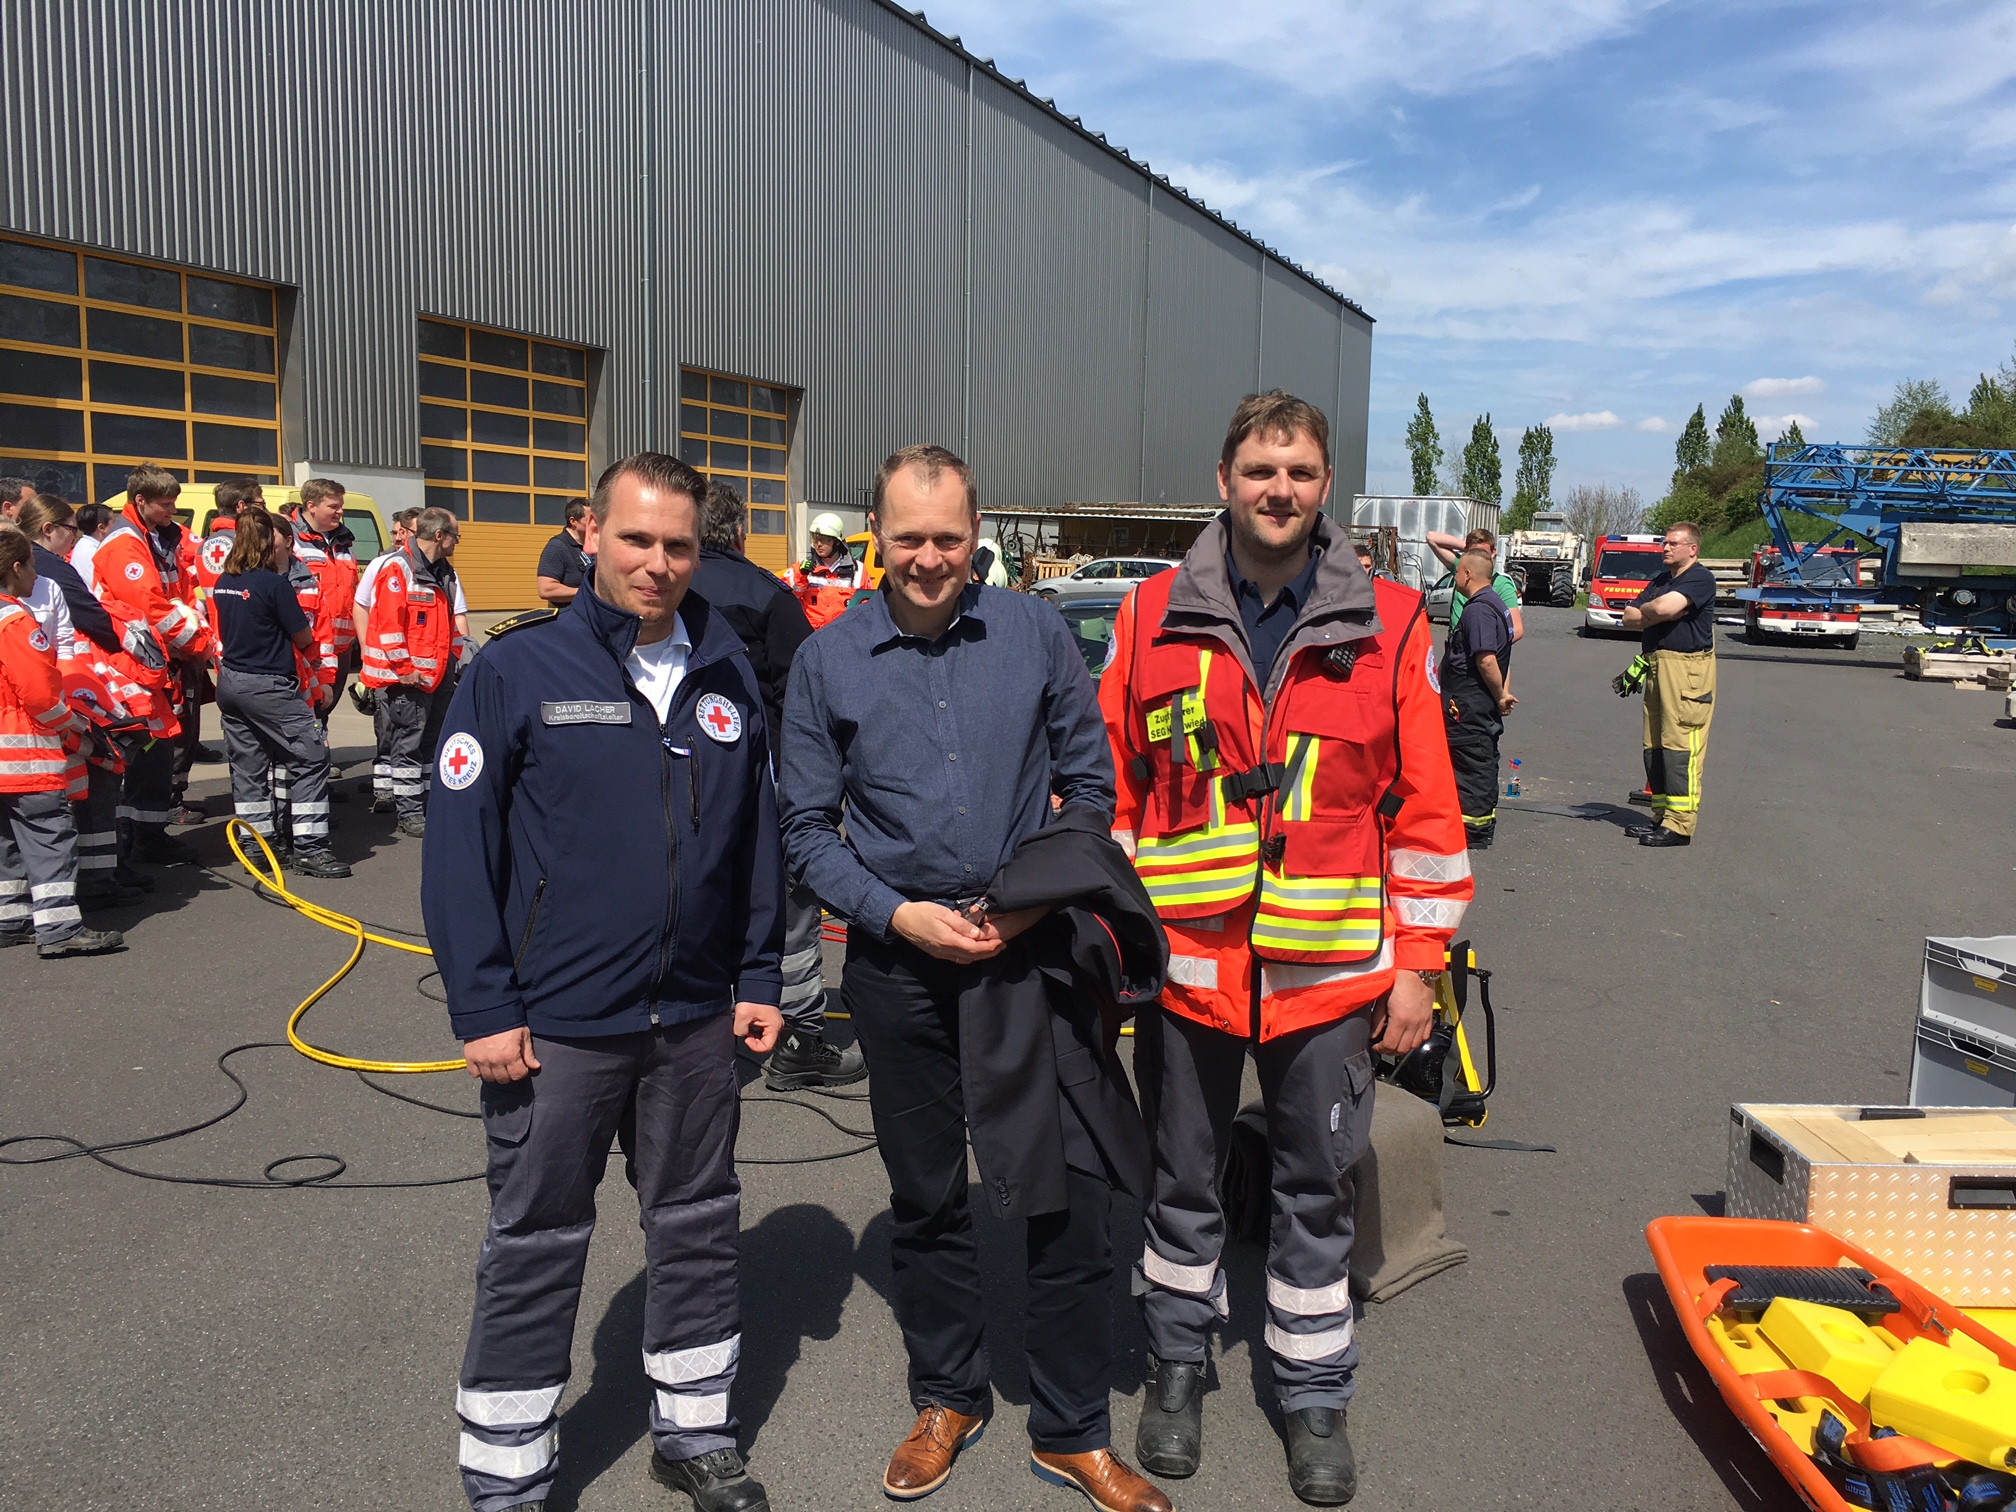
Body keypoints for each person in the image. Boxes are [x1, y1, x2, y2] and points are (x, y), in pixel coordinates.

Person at [782, 445, 1172, 1512]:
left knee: (1071, 1197)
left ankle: (1072, 1428)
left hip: (1029, 954)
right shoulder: (829, 661)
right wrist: (896, 913)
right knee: (926, 1196)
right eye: (908, 537)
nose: (928, 557)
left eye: (949, 537)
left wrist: (1028, 905)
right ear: (876, 534)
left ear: (978, 533)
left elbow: (1089, 787)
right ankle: (949, 1394)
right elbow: (807, 830)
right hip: (899, 965)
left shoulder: (1035, 632)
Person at [1101, 391, 1471, 1507]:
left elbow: (1425, 816)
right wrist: (1118, 944)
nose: (1280, 490)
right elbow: (1111, 798)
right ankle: (1176, 1365)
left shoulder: (1394, 624)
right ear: (1224, 480)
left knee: (1318, 1188)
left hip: (1329, 983)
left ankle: (1314, 1392)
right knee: (1182, 1186)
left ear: (1326, 490)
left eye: (1301, 473)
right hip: (1186, 978)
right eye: (1261, 469)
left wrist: (1419, 966)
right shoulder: (1148, 617)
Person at [423, 452, 784, 1512]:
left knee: (697, 1221)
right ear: (592, 535)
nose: (658, 564)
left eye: (678, 545)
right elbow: (458, 853)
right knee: (536, 1237)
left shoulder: (725, 675)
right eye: (637, 540)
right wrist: (485, 1005)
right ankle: (508, 1471)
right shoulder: (512, 671)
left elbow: (756, 847)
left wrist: (758, 975)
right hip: (557, 1029)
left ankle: (694, 1429)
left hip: (694, 1022)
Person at [692, 480, 863, 1090]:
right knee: (790, 912)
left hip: (678, 790)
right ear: (739, 533)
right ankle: (796, 1042)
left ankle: (703, 1037)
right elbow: (803, 705)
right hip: (759, 783)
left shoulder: (655, 591)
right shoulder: (768, 596)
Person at [0, 529, 124, 957]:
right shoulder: (14, 621)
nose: (37, 574)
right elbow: (39, 696)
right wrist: (74, 727)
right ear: (15, 568)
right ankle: (59, 928)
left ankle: (11, 917)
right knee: (48, 834)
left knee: (6, 838)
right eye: (32, 565)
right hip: (25, 753)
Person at [210, 509, 350, 879]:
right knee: (310, 757)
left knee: (250, 767)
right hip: (270, 684)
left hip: (231, 681)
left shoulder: (224, 580)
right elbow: (304, 637)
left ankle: (257, 844)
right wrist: (319, 673)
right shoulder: (275, 585)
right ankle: (310, 848)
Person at [14, 497, 139, 905]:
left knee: (33, 814)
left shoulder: (46, 581)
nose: (75, 535)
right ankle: (89, 887)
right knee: (58, 808)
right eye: (70, 527)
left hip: (48, 707)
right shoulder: (45, 577)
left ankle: (21, 907)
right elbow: (75, 637)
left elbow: (65, 645)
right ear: (48, 529)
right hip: (41, 717)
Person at [90, 465, 216, 867]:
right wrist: (199, 642)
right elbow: (150, 608)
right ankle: (139, 840)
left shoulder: (153, 539)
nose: (171, 511)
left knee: (155, 751)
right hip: (131, 667)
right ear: (139, 501)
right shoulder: (125, 545)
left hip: (152, 665)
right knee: (148, 753)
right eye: (165, 504)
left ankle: (144, 835)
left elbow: (176, 595)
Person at [359, 507, 464, 837]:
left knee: (431, 747)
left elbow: (448, 627)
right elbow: (390, 626)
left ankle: (429, 804)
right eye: (455, 537)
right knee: (407, 746)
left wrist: (456, 663)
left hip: (436, 678)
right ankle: (409, 813)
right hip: (407, 679)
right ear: (439, 536)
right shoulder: (398, 569)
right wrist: (404, 669)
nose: (457, 543)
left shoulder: (443, 571)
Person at [1620, 521, 1716, 849]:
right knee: (1655, 747)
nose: (1666, 547)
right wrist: (1656, 612)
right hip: (1657, 665)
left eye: (1674, 543)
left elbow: (1659, 608)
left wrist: (1654, 610)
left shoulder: (1700, 578)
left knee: (1680, 749)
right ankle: (1661, 816)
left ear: (1693, 549)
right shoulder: (1662, 580)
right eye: (1665, 542)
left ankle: (1680, 825)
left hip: (1686, 671)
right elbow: (1628, 618)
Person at [1440, 549, 1517, 850]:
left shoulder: (1478, 610)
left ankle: (1472, 831)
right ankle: (1472, 827)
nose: (1455, 576)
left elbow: (1486, 660)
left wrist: (1500, 696)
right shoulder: (1496, 605)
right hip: (1475, 701)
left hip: (1469, 703)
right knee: (1476, 758)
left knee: (1471, 762)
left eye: (1457, 571)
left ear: (1468, 574)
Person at [1427, 527, 1523, 645]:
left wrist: (1486, 648)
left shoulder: (1502, 584)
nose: (1478, 558)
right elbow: (1431, 538)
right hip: (1456, 648)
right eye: (1473, 553)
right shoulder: (1461, 570)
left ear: (1493, 553)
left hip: (1482, 650)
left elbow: (1517, 630)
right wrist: (1468, 546)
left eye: (1483, 554)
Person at [783, 512, 859, 629]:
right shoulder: (802, 569)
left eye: (824, 540)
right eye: (815, 539)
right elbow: (784, 598)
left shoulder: (857, 571)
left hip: (844, 636)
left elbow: (866, 607)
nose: (818, 544)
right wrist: (800, 576)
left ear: (837, 542)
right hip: (811, 637)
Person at [534, 497, 593, 606]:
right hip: (568, 617)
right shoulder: (557, 547)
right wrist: (586, 593)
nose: (595, 524)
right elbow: (546, 589)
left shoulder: (594, 545)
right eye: (590, 519)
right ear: (573, 521)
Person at [68, 502, 113, 585]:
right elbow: (99, 589)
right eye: (114, 523)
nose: (117, 527)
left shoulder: (89, 547)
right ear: (102, 528)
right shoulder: (89, 554)